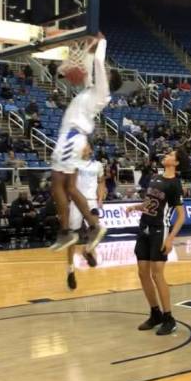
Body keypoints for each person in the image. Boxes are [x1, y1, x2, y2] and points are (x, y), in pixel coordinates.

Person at [49, 35, 123, 252]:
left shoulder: (102, 91)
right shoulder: (93, 89)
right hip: (74, 137)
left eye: (107, 74)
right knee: (70, 187)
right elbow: (91, 64)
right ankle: (94, 225)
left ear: (108, 80)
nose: (104, 72)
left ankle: (65, 232)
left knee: (57, 182)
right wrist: (88, 46)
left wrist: (102, 41)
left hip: (71, 137)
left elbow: (98, 63)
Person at [125, 148, 189, 336]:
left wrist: (170, 238)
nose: (166, 155)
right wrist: (135, 207)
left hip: (159, 231)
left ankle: (169, 318)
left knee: (157, 275)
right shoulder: (155, 177)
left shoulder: (175, 184)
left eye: (170, 155)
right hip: (144, 227)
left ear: (176, 163)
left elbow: (181, 216)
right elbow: (148, 204)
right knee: (142, 272)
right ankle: (155, 313)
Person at [62, 142, 106, 290]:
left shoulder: (98, 165)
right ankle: (70, 270)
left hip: (92, 201)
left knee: (98, 229)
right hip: (76, 201)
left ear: (91, 149)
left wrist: (100, 198)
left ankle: (87, 250)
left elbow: (101, 182)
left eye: (85, 145)